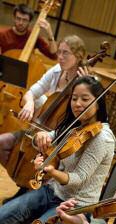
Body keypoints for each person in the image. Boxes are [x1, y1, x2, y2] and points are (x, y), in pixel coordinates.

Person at [0, 75, 116, 224]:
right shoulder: (72, 126)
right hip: (51, 193)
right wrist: (40, 138)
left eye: (85, 99)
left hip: (77, 206)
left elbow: (78, 180)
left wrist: (50, 171)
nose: (78, 104)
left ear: (98, 102)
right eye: (74, 98)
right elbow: (42, 141)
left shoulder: (102, 138)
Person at [0, 34, 87, 200]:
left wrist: (82, 89)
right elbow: (33, 91)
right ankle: (24, 185)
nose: (60, 57)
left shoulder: (87, 83)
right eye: (59, 52)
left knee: (40, 163)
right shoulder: (56, 71)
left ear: (78, 56)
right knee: (2, 143)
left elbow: (83, 118)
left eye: (65, 53)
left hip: (58, 140)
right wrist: (29, 103)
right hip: (37, 130)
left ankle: (28, 192)